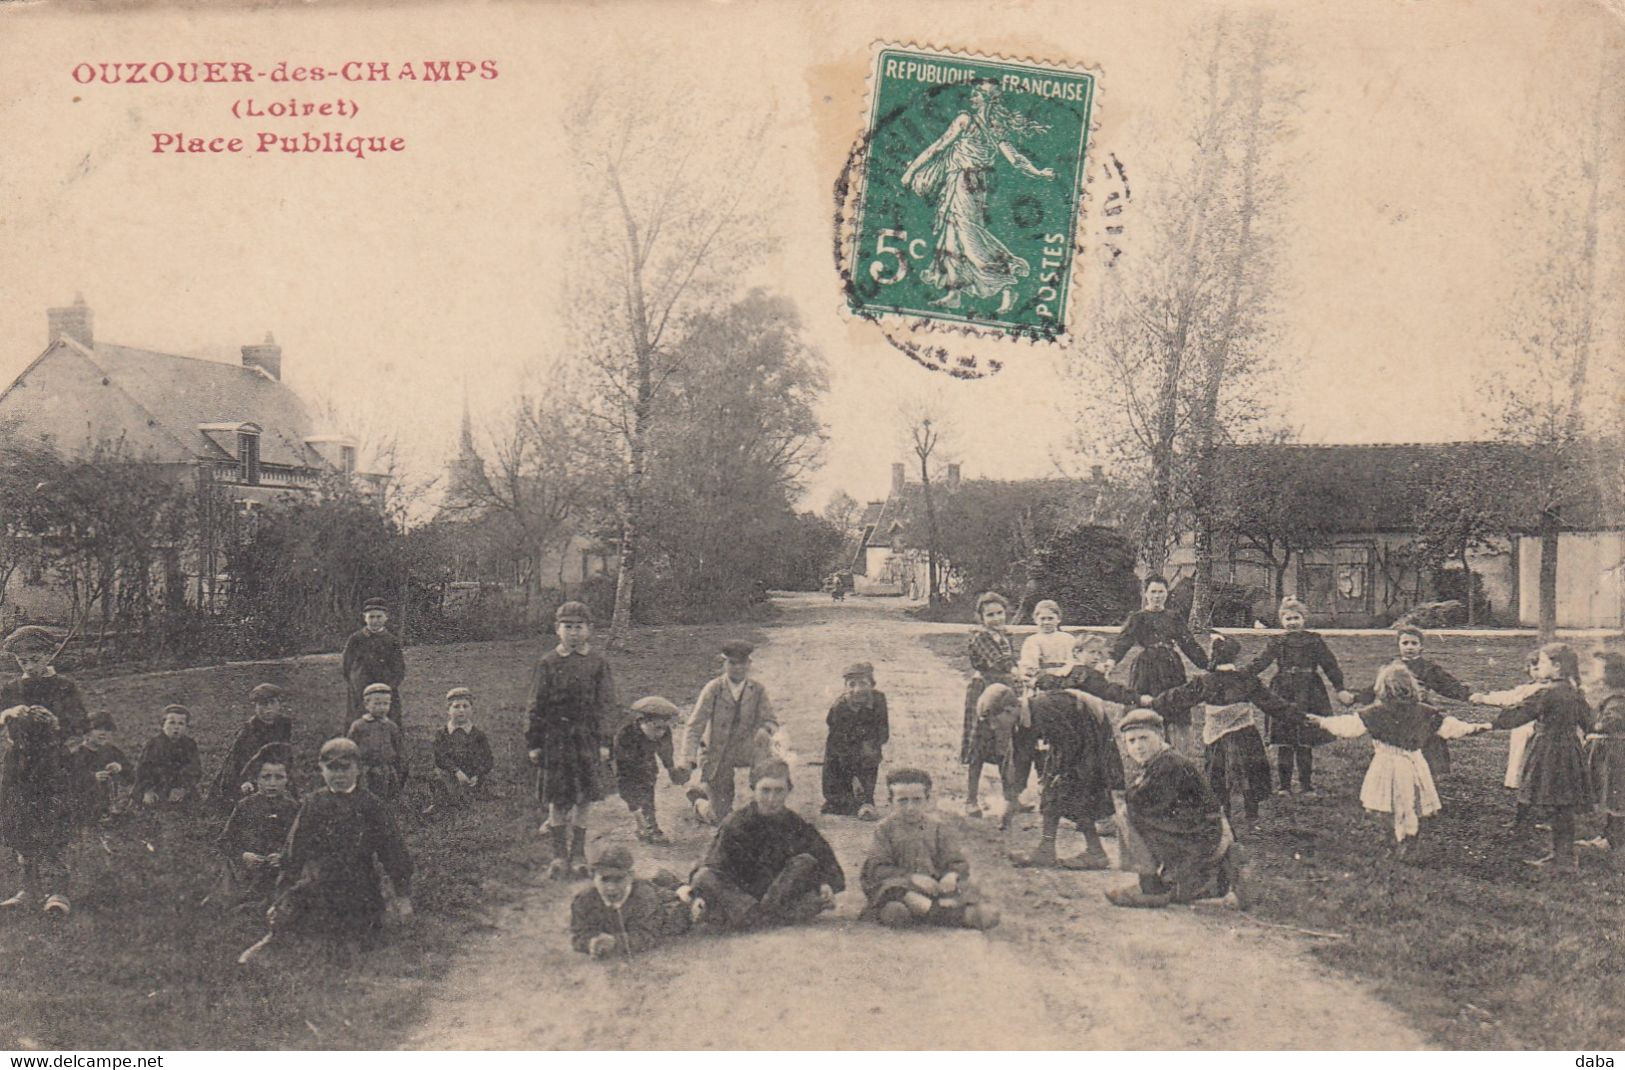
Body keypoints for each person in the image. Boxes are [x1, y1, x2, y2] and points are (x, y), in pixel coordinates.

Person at [238, 737, 413, 964]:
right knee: (292, 920)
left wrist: (403, 895)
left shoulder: (372, 805)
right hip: (319, 884)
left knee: (357, 941)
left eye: (345, 768)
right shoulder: (314, 803)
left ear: (358, 769)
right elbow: (294, 853)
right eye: (331, 769)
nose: (338, 775)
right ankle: (273, 939)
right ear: (321, 770)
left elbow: (394, 852)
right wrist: (280, 896)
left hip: (360, 887)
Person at [899, 79, 1057, 314]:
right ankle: (954, 293)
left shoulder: (969, 122)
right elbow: (1016, 160)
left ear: (988, 99)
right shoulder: (994, 130)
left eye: (977, 94)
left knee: (968, 235)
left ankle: (1006, 284)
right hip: (967, 184)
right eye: (972, 94)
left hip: (966, 183)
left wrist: (911, 171)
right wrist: (1039, 173)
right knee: (951, 235)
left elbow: (938, 147)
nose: (972, 98)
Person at [1308, 663, 1491, 859]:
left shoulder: (1376, 712)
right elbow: (1450, 727)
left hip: (1386, 763)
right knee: (1407, 802)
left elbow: (1349, 726)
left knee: (1390, 803)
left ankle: (1400, 839)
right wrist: (1476, 727)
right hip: (1414, 761)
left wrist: (1322, 721)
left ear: (1382, 689)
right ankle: (1406, 838)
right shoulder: (1424, 711)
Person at [1106, 708, 1251, 910]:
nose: (1138, 746)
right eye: (1131, 741)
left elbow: (1138, 803)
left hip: (1205, 839)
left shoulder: (1169, 764)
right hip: (1203, 834)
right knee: (1134, 812)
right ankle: (1197, 881)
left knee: (1126, 815)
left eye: (1144, 738)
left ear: (1160, 736)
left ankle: (1150, 887)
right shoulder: (1161, 761)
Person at [1151, 634, 1298, 829]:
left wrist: (1152, 703)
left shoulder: (1205, 681)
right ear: (1236, 658)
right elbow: (1272, 704)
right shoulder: (1246, 679)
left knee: (1217, 775)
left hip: (1216, 736)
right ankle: (1252, 815)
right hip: (1245, 733)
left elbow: (1178, 698)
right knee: (1250, 772)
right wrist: (1301, 716)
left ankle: (1222, 816)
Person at [681, 758, 844, 931]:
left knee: (806, 861)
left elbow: (826, 860)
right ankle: (767, 916)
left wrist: (824, 883)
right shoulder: (735, 823)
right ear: (753, 790)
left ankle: (758, 918)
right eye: (765, 791)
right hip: (741, 899)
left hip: (776, 896)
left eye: (779, 791)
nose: (771, 798)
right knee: (704, 875)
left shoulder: (795, 824)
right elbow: (713, 867)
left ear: (789, 790)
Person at [1012, 667, 1141, 868]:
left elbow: (1071, 742)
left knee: (1078, 792)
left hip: (1090, 738)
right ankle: (1048, 849)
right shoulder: (1022, 716)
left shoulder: (1044, 709)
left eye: (996, 720)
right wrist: (1014, 793)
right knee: (1053, 790)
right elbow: (1024, 754)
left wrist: (1060, 773)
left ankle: (1096, 853)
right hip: (1074, 741)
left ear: (1009, 709)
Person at [1483, 643, 1595, 875]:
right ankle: (1564, 856)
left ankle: (1562, 860)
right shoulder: (1574, 691)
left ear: (1556, 666)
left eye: (1542, 662)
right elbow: (1589, 722)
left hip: (1550, 752)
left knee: (1556, 804)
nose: (1539, 667)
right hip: (1569, 751)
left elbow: (1520, 713)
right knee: (1562, 805)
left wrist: (1490, 724)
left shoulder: (1548, 692)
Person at [526, 601, 617, 879]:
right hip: (555, 740)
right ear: (557, 630)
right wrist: (534, 742)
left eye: (579, 627)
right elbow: (536, 704)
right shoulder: (548, 662)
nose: (574, 633)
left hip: (586, 739)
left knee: (583, 798)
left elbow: (607, 704)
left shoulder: (598, 663)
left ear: (589, 630)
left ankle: (578, 853)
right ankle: (558, 855)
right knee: (556, 797)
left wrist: (604, 741)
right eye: (568, 627)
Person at [860, 767, 998, 930]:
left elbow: (956, 861)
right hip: (901, 889)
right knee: (896, 911)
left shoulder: (938, 827)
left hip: (935, 888)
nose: (910, 807)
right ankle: (943, 915)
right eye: (902, 801)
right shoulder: (884, 829)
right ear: (891, 801)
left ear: (927, 800)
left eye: (917, 800)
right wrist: (912, 878)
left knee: (980, 904)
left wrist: (951, 875)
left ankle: (930, 911)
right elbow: (878, 868)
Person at [1241, 597, 1354, 795]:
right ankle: (1284, 786)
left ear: (1304, 619)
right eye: (1288, 618)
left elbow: (1330, 664)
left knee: (1304, 742)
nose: (1292, 622)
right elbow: (1261, 662)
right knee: (1284, 741)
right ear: (1281, 621)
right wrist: (1241, 675)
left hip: (1309, 692)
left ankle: (1306, 785)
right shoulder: (1278, 642)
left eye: (1297, 617)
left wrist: (1340, 688)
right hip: (1283, 692)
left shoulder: (1314, 640)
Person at [0, 705, 93, 916]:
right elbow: (7, 784)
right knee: (26, 851)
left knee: (55, 851)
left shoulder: (57, 753)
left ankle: (58, 893)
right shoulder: (14, 754)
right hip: (22, 809)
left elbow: (67, 784)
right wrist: (6, 810)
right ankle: (29, 890)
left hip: (52, 809)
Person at [1103, 576, 1209, 755]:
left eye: (1161, 592)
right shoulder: (1138, 617)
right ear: (1146, 594)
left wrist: (1207, 664)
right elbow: (1124, 641)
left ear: (1167, 594)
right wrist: (1111, 661)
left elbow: (1188, 643)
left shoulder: (1174, 617)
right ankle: (1146, 749)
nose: (1157, 596)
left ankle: (1173, 752)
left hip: (1171, 668)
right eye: (1153, 592)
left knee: (1173, 707)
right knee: (1146, 708)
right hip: (1146, 669)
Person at [1353, 627, 1475, 779]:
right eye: (1405, 643)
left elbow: (1445, 684)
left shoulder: (1428, 668)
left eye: (1414, 643)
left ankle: (1429, 774)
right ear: (1398, 645)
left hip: (1419, 710)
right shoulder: (1392, 667)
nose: (1409, 647)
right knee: (1395, 746)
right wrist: (1357, 698)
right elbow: (1376, 687)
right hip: (1394, 712)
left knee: (1429, 740)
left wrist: (1467, 695)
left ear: (1421, 647)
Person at [677, 640, 776, 826]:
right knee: (721, 819)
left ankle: (762, 803)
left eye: (742, 663)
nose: (738, 668)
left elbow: (771, 719)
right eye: (732, 663)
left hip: (746, 748)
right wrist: (687, 758)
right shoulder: (713, 689)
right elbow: (695, 725)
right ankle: (699, 802)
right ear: (724, 664)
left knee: (766, 761)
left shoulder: (757, 689)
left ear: (749, 664)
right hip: (717, 752)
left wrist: (765, 729)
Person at [568, 842, 694, 959]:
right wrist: (590, 943)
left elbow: (648, 936)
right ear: (593, 877)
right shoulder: (583, 900)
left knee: (684, 903)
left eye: (618, 879)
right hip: (642, 889)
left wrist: (616, 943)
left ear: (630, 877)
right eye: (604, 879)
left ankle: (672, 882)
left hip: (666, 907)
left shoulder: (645, 898)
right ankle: (658, 877)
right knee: (652, 883)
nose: (611, 887)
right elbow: (578, 935)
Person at [1470, 650, 1547, 829]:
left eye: (1542, 668)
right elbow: (1507, 696)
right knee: (1523, 769)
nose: (1539, 672)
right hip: (1522, 731)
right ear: (1528, 670)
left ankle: (1540, 813)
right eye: (1534, 668)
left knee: (1539, 772)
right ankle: (1527, 810)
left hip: (1539, 736)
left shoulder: (1548, 691)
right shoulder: (1525, 689)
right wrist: (1484, 698)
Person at [961, 591, 1020, 819]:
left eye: (999, 613)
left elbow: (1011, 661)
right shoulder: (980, 638)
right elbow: (997, 662)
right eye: (990, 615)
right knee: (979, 742)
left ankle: (1010, 798)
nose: (996, 618)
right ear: (981, 617)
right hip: (984, 690)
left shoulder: (1005, 636)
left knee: (1006, 742)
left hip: (1004, 692)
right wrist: (1015, 670)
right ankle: (971, 799)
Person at [216, 744, 298, 905]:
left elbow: (302, 843)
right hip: (249, 868)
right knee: (231, 892)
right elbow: (225, 841)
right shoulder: (245, 806)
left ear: (287, 779)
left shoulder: (293, 808)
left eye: (279, 777)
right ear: (256, 779)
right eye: (266, 777)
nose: (272, 783)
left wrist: (283, 858)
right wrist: (243, 855)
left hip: (278, 868)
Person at [612, 696, 689, 844]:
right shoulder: (625, 733)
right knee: (630, 794)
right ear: (644, 721)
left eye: (664, 727)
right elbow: (620, 764)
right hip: (623, 764)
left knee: (648, 791)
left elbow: (666, 751)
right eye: (657, 728)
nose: (660, 733)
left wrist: (671, 768)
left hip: (646, 762)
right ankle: (641, 824)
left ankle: (651, 827)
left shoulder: (664, 732)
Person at [821, 662, 889, 820]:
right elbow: (839, 744)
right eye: (852, 685)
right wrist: (853, 775)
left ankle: (865, 801)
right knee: (838, 796)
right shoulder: (839, 708)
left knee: (870, 755)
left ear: (872, 685)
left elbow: (884, 732)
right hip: (841, 751)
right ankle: (843, 800)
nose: (857, 690)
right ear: (845, 687)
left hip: (867, 748)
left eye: (863, 684)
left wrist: (870, 744)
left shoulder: (879, 700)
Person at [213, 683, 294, 810]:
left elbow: (284, 750)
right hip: (249, 770)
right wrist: (247, 779)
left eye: (272, 703)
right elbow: (240, 760)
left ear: (279, 704)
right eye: (262, 704)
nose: (268, 708)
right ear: (255, 707)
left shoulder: (284, 723)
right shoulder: (250, 729)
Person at [1, 626, 89, 742]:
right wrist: (10, 713)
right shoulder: (11, 688)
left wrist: (55, 722)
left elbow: (82, 726)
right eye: (23, 661)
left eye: (35, 660)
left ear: (49, 655)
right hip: (19, 756)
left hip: (58, 754)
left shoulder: (64, 686)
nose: (29, 667)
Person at [1582, 650, 1625, 851]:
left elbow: (1612, 722)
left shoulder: (1617, 698)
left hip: (1617, 752)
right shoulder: (1612, 696)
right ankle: (1608, 836)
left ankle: (1613, 840)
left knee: (1616, 794)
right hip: (1612, 750)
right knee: (1612, 793)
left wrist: (1595, 727)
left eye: (1599, 668)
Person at [427, 687, 494, 815]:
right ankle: (441, 802)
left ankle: (466, 799)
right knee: (440, 778)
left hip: (471, 774)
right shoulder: (442, 733)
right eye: (456, 706)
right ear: (448, 710)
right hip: (451, 773)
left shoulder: (478, 734)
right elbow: (440, 757)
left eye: (465, 706)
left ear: (471, 709)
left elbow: (487, 759)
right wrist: (456, 771)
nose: (461, 710)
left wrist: (477, 774)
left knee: (472, 794)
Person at [340, 597, 406, 726]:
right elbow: (346, 665)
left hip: (386, 684)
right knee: (358, 716)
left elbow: (399, 667)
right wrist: (355, 682)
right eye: (371, 617)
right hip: (361, 686)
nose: (375, 621)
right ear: (365, 618)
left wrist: (391, 685)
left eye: (379, 617)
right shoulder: (356, 639)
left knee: (388, 716)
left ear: (386, 617)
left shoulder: (391, 641)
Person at [133, 705, 202, 808]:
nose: (176, 727)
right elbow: (143, 770)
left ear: (186, 727)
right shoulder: (153, 744)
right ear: (163, 725)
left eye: (181, 724)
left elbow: (194, 769)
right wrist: (148, 790)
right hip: (156, 785)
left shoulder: (189, 745)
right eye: (172, 722)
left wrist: (181, 788)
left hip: (179, 787)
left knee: (191, 805)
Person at [348, 684, 407, 801]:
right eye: (377, 704)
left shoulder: (391, 726)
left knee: (386, 797)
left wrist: (400, 767)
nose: (382, 708)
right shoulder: (359, 726)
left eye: (385, 704)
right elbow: (349, 747)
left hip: (386, 770)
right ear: (366, 705)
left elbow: (399, 749)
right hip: (366, 770)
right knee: (365, 796)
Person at [72, 712, 132, 821]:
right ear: (87, 732)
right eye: (98, 729)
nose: (103, 733)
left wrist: (119, 767)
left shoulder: (111, 751)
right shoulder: (77, 754)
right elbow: (71, 779)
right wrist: (92, 777)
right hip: (84, 808)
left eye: (107, 729)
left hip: (112, 807)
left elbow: (131, 775)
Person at [1019, 600, 1077, 685]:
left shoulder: (1068, 639)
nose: (1046, 622)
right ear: (1035, 620)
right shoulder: (1032, 640)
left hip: (1066, 677)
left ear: (1058, 619)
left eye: (1050, 618)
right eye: (1042, 619)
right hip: (1043, 679)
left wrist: (1062, 673)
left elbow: (1073, 661)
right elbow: (1029, 664)